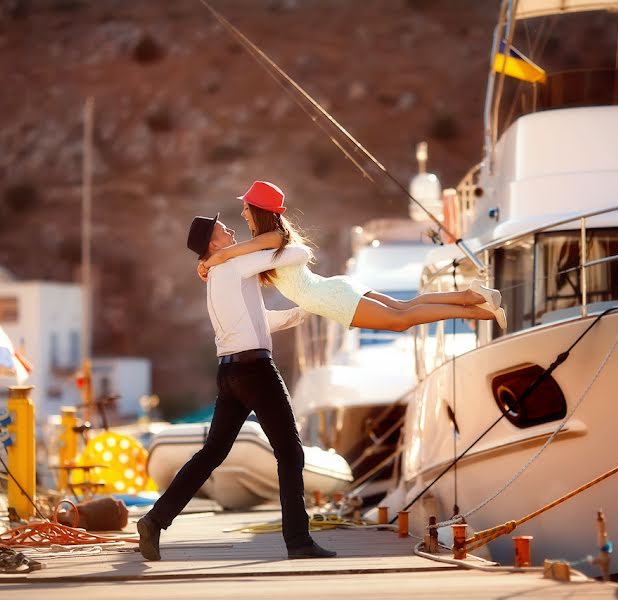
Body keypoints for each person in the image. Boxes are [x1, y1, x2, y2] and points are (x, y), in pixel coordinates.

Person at [137, 213, 336, 561]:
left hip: (230, 373)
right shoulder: (232, 264)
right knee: (290, 452)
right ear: (213, 244)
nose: (231, 230)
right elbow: (298, 254)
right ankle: (299, 541)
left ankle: (155, 520)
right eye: (222, 230)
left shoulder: (217, 273)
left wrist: (304, 311)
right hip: (256, 370)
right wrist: (240, 250)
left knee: (212, 453)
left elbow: (259, 320)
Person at [199, 181, 507, 332]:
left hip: (331, 297)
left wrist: (215, 257)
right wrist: (211, 264)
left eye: (246, 207)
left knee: (403, 319)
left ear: (258, 211)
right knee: (406, 307)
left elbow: (238, 253)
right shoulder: (266, 243)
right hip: (331, 290)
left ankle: (483, 311)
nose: (242, 212)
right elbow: (238, 260)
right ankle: (473, 296)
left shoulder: (273, 238)